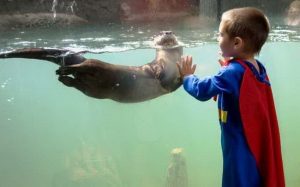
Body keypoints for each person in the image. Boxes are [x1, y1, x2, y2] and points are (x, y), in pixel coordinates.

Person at [177, 7, 285, 187]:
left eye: (220, 35)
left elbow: (203, 91)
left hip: (238, 146)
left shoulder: (232, 72)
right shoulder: (256, 67)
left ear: (236, 43)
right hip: (252, 147)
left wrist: (188, 77)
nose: (217, 38)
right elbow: (242, 92)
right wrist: (226, 71)